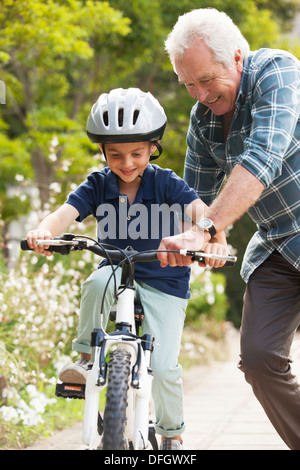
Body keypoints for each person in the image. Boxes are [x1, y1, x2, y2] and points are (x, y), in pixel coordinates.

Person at [26, 87, 228, 450]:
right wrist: (44, 231)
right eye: (115, 154)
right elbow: (64, 215)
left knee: (164, 367)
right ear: (102, 151)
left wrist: (213, 237)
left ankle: (170, 432)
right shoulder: (98, 184)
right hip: (118, 272)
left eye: (137, 153)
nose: (127, 163)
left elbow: (202, 213)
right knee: (94, 281)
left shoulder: (166, 182)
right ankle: (86, 358)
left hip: (165, 279)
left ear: (153, 147)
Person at [160, 8, 300, 450]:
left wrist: (208, 227)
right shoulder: (203, 122)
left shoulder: (278, 72)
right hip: (279, 243)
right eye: (189, 84)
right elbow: (192, 199)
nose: (199, 94)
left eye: (207, 80)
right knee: (258, 357)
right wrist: (184, 240)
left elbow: (263, 156)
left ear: (237, 57)